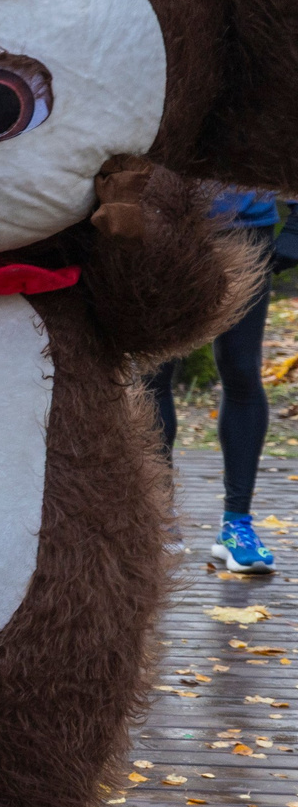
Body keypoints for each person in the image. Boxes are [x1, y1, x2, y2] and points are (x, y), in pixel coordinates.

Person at [149, 189, 281, 572]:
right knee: (155, 370)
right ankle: (159, 517)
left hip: (246, 226)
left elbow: (280, 134)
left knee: (241, 368)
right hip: (163, 224)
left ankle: (237, 525)